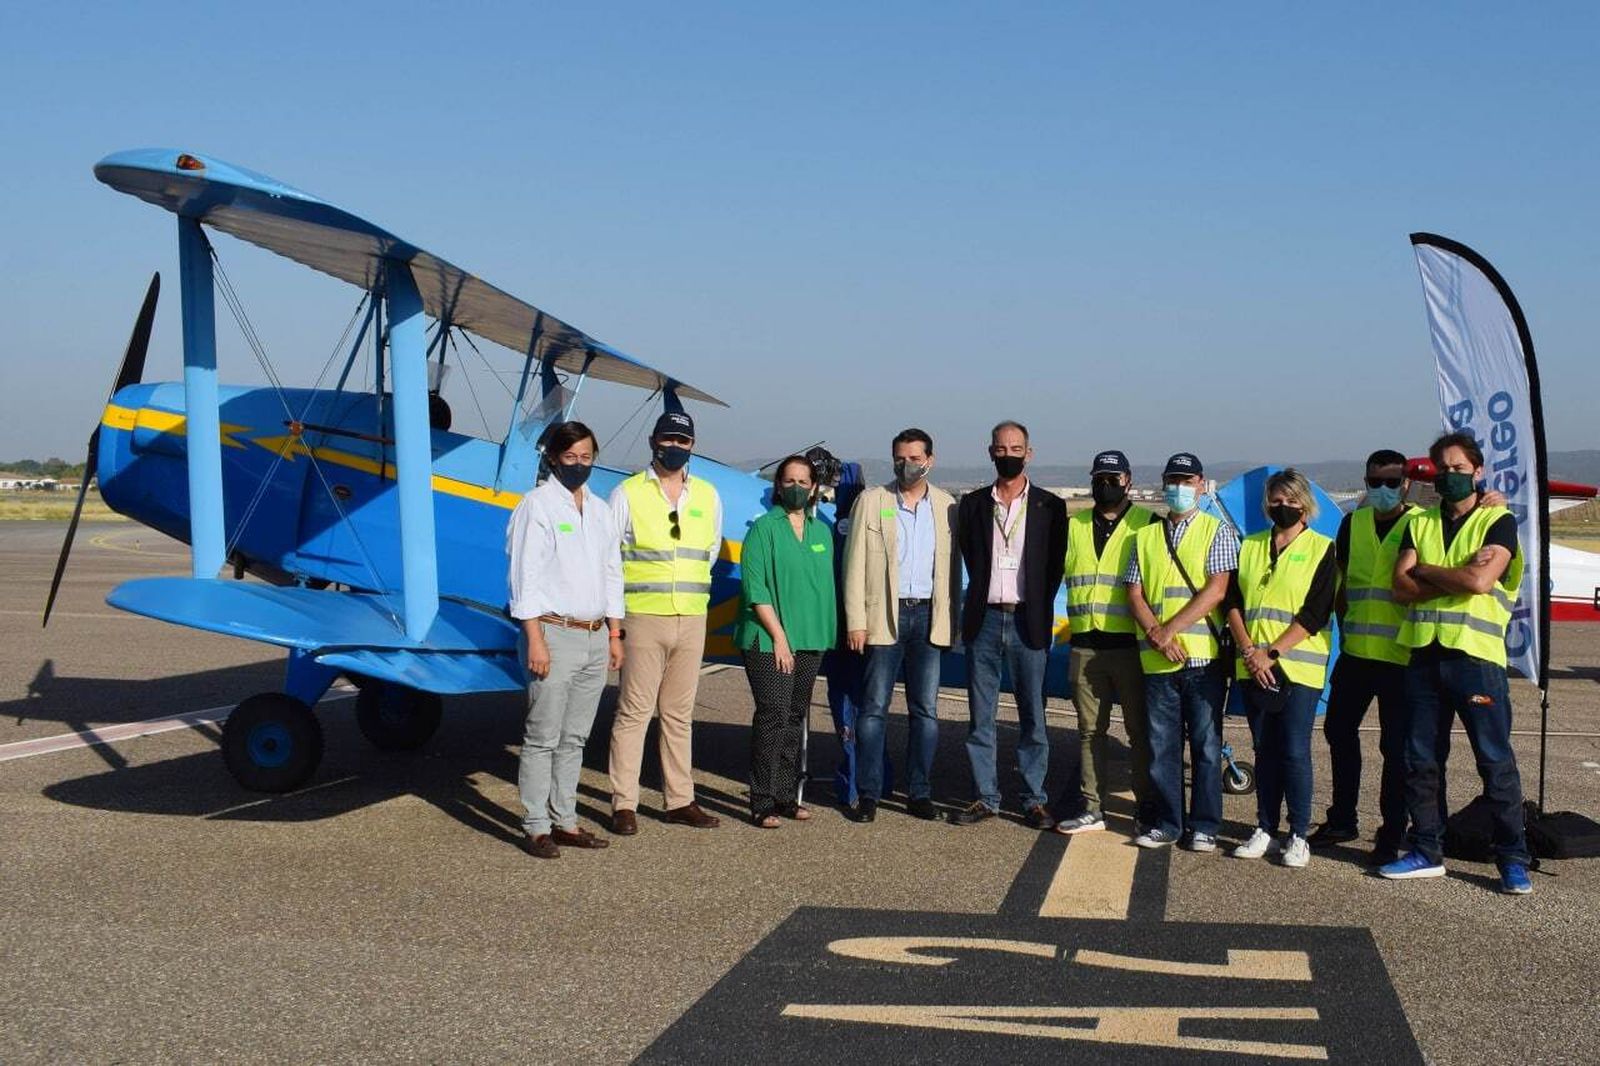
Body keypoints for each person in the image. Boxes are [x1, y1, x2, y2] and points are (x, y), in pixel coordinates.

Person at [1382, 431, 1533, 894]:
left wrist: (1426, 570)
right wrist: (1450, 575)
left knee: (1494, 762)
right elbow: (1400, 587)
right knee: (1420, 759)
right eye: (1443, 469)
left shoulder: (1497, 520)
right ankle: (1427, 849)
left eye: (1459, 469)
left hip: (1475, 659)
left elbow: (1482, 581)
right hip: (1425, 656)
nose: (1450, 476)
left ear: (1478, 471)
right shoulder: (1419, 522)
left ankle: (1512, 858)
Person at [505, 421, 626, 858]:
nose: (579, 465)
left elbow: (613, 572)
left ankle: (566, 820)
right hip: (553, 633)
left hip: (595, 635)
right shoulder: (535, 506)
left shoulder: (599, 510)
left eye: (587, 458)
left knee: (575, 737)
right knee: (543, 736)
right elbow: (525, 578)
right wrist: (534, 639)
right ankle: (536, 824)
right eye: (571, 457)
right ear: (554, 458)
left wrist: (615, 633)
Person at [606, 410, 724, 834]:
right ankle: (624, 803)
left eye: (683, 441)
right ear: (653, 441)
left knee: (678, 713)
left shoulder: (708, 495)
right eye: (668, 440)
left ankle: (680, 800)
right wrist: (615, 626)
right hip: (644, 617)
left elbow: (708, 552)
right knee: (634, 711)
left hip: (691, 617)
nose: (675, 447)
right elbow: (610, 560)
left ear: (693, 446)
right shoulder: (627, 493)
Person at [951, 421, 1067, 829]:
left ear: (1029, 453)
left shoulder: (1051, 507)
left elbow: (1054, 566)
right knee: (980, 715)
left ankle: (1034, 799)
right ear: (990, 452)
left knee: (1032, 716)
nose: (1008, 454)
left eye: (1016, 448)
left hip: (1027, 621)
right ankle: (986, 796)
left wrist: (1035, 605)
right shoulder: (972, 504)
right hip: (984, 619)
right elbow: (969, 555)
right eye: (1001, 448)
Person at [841, 428, 961, 823]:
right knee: (874, 708)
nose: (906, 464)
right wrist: (856, 621)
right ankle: (870, 792)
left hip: (927, 617)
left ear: (930, 459)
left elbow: (951, 572)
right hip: (883, 618)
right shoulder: (873, 501)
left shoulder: (946, 506)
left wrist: (952, 625)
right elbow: (854, 564)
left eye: (913, 457)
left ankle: (919, 792)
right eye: (899, 457)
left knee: (924, 710)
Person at [1308, 449, 1421, 865]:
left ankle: (1393, 831)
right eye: (1376, 482)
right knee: (1338, 732)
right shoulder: (1352, 524)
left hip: (1399, 658)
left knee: (1396, 749)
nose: (1384, 489)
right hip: (1356, 653)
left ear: (1407, 483)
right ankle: (1342, 818)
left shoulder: (1418, 524)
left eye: (1392, 482)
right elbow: (1340, 586)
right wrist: (1345, 627)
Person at [1224, 469, 1338, 869]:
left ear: (1305, 505)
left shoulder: (1324, 549)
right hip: (1252, 665)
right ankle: (1264, 827)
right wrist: (1248, 650)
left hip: (1296, 668)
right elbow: (1233, 601)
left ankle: (1298, 834)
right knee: (1263, 750)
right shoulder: (1251, 545)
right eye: (1276, 499)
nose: (1282, 506)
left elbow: (1316, 611)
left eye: (1291, 500)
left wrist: (1270, 653)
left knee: (1293, 751)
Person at [1125, 452, 1238, 851]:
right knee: (1162, 747)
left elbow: (1218, 589)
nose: (1179, 488)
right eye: (1173, 480)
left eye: (1187, 481)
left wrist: (1169, 629)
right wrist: (1156, 632)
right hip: (1157, 659)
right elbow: (1134, 592)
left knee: (1206, 747)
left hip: (1202, 659)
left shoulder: (1216, 531)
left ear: (1201, 485)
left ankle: (1205, 825)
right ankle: (1168, 822)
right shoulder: (1144, 536)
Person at [1053, 450, 1157, 836]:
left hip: (1130, 647)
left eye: (1113, 478)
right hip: (1084, 645)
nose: (1105, 484)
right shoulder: (1074, 524)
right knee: (1089, 731)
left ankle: (1147, 806)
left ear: (1128, 480)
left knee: (1139, 732)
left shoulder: (1149, 524)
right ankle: (1092, 807)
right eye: (1099, 477)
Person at [737, 455, 838, 827]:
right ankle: (761, 798)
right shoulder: (763, 529)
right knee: (773, 715)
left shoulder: (821, 532)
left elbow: (823, 588)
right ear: (779, 486)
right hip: (769, 639)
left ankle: (784, 794)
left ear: (814, 487)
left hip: (811, 638)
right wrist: (779, 636)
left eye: (803, 481)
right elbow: (756, 587)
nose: (796, 487)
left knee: (795, 717)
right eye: (789, 481)